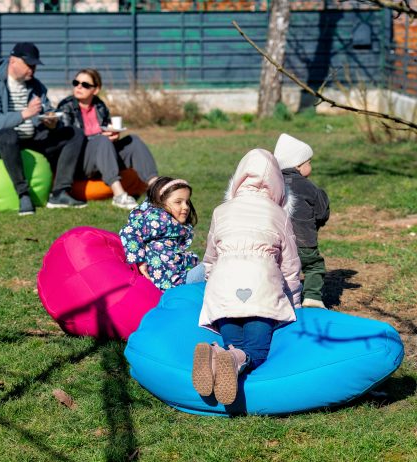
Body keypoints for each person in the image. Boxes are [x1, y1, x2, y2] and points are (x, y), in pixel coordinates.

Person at [192, 148, 302, 406]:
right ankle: (232, 359)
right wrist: (294, 301)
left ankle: (217, 355)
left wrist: (212, 286)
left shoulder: (221, 211)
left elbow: (210, 259)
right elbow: (290, 265)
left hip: (223, 288)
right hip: (262, 288)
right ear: (278, 185)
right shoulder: (278, 214)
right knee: (256, 351)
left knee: (234, 342)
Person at [0, 42, 87, 215]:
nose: (32, 70)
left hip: (31, 137)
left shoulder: (36, 85)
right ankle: (23, 194)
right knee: (8, 135)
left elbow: (47, 110)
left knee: (74, 133)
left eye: (34, 66)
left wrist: (51, 122)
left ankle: (60, 192)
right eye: (29, 65)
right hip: (0, 140)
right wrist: (25, 113)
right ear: (13, 61)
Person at [57, 68, 159, 210]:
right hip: (80, 161)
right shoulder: (66, 107)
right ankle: (119, 195)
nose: (79, 87)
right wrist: (100, 138)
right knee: (102, 140)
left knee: (133, 141)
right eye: (76, 83)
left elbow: (105, 132)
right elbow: (69, 140)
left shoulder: (99, 106)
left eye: (85, 84)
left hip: (103, 157)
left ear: (96, 89)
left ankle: (157, 188)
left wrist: (114, 136)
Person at [274, 133, 330, 309]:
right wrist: (316, 223)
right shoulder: (309, 187)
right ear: (298, 165)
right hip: (304, 241)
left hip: (276, 242)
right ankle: (313, 298)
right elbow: (322, 213)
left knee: (279, 268)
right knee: (313, 266)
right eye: (309, 162)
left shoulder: (273, 184)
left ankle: (281, 297)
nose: (310, 166)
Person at [119, 176, 201, 291]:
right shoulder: (156, 219)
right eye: (178, 202)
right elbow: (129, 231)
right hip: (170, 284)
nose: (186, 207)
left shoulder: (170, 224)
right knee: (212, 268)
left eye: (187, 202)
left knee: (213, 268)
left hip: (178, 278)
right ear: (160, 202)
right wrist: (140, 262)